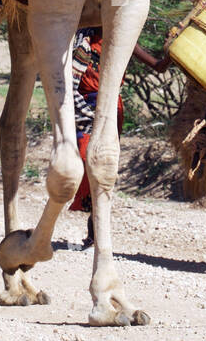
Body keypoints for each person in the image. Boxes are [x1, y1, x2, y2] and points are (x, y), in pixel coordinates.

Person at [69, 28, 168, 248]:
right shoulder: (82, 41)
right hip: (84, 106)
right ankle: (93, 220)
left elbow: (159, 67)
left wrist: (174, 52)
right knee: (86, 159)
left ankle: (96, 229)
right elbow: (70, 82)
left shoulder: (123, 37)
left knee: (104, 164)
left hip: (112, 107)